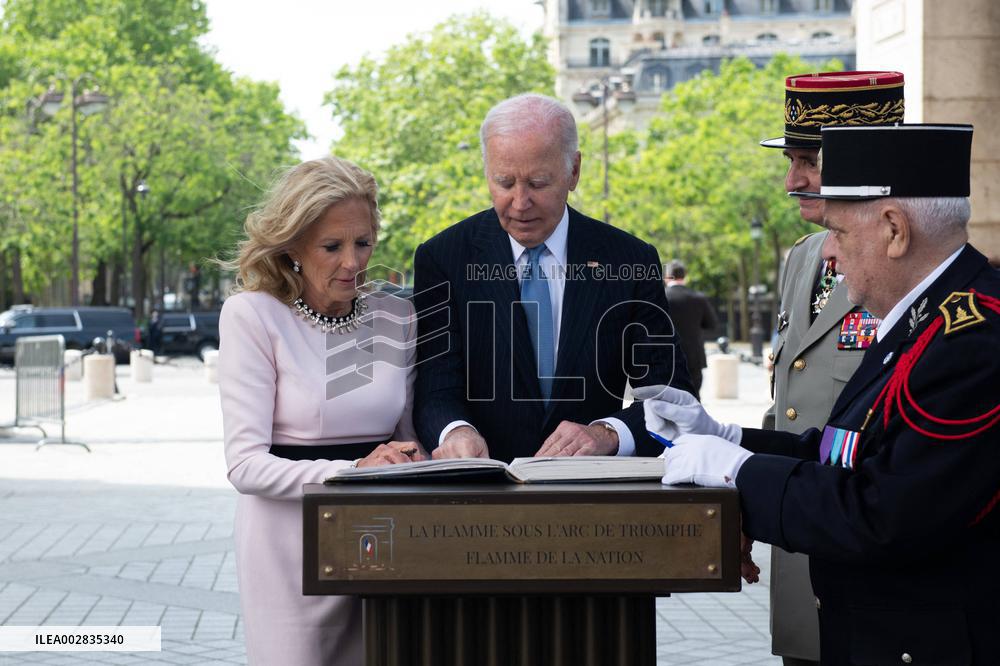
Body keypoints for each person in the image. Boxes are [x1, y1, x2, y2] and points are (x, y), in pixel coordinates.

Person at [644, 124, 1000, 664]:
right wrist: (728, 437)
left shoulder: (972, 341)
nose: (827, 254)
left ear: (894, 230)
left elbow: (883, 513)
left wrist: (737, 473)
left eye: (838, 231)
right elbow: (848, 453)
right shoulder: (924, 324)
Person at [217, 156, 426, 665]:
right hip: (289, 550)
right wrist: (355, 471)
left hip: (382, 544)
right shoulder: (252, 315)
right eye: (332, 247)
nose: (353, 262)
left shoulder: (398, 316)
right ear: (293, 247)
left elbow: (410, 438)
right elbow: (244, 465)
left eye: (364, 242)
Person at [413, 93, 694, 463]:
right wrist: (456, 431)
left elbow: (673, 397)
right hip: (479, 493)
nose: (519, 202)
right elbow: (434, 387)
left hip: (590, 499)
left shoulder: (631, 260)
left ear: (574, 170)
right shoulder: (443, 258)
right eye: (504, 182)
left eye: (539, 183)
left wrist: (607, 433)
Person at [757, 70, 904, 666]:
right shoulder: (804, 257)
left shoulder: (904, 262)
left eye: (809, 160)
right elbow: (787, 402)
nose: (793, 181)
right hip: (802, 552)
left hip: (869, 568)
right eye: (790, 160)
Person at [663, 260, 718, 400]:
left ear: (667, 277)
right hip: (693, 357)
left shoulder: (660, 297)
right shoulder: (698, 297)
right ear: (685, 276)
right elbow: (712, 324)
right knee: (693, 400)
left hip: (665, 357)